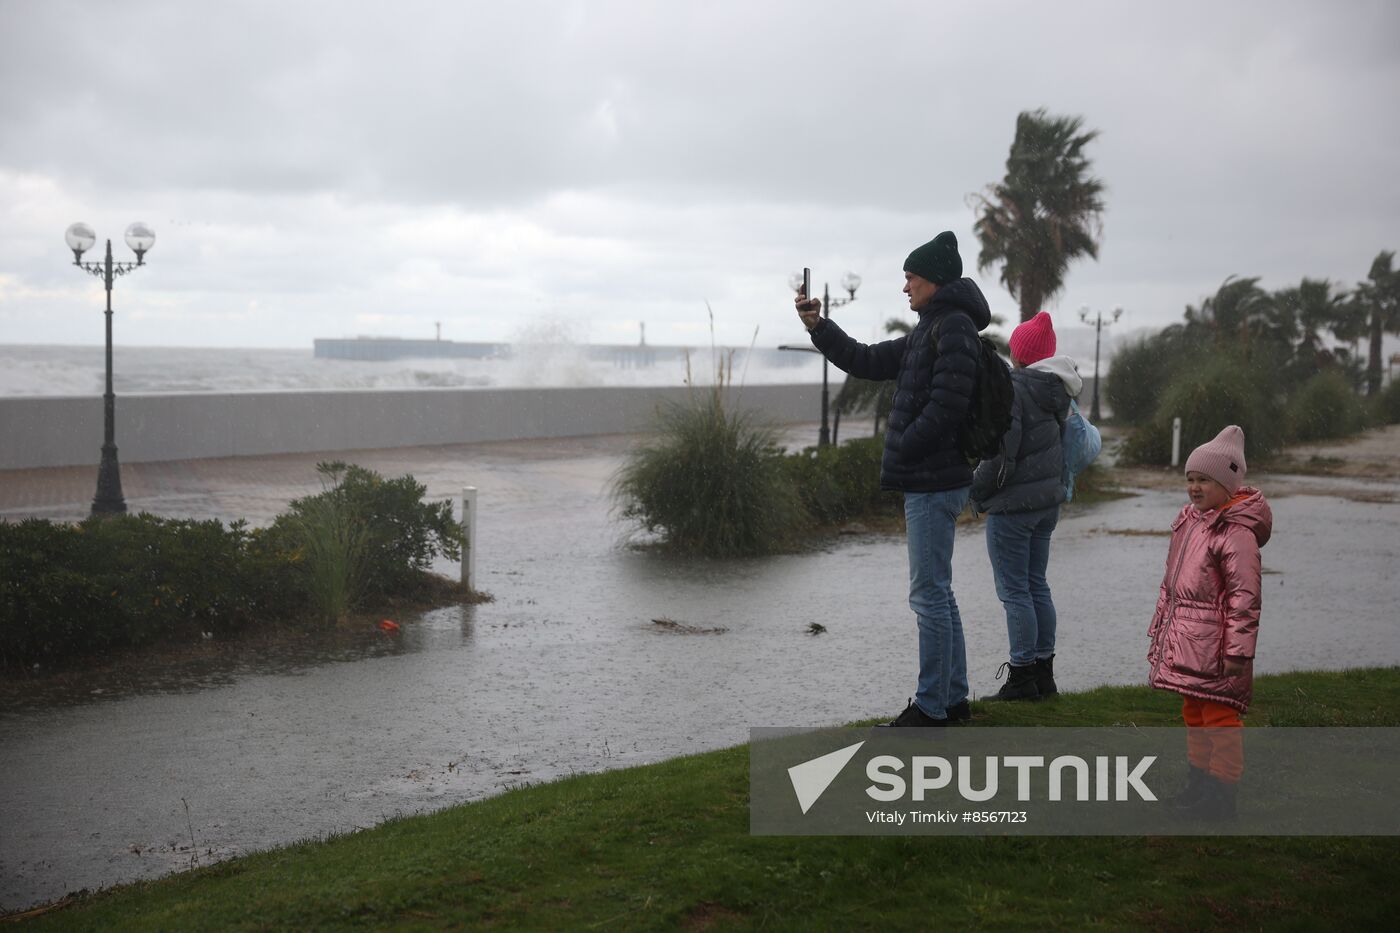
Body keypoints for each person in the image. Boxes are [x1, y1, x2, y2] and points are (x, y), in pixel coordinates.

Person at [796, 231, 990, 726]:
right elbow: (864, 359)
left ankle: (931, 708)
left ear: (934, 281)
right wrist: (819, 326)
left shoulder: (952, 330)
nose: (905, 287)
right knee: (939, 593)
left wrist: (906, 445)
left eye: (911, 278)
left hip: (933, 481)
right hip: (933, 478)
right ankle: (953, 699)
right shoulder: (931, 329)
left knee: (928, 595)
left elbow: (949, 405)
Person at [1147, 425, 1272, 820]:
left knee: (1220, 717)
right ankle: (1198, 781)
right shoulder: (1190, 521)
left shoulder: (1235, 533)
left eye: (1205, 480)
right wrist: (1160, 628)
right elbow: (1172, 581)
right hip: (1187, 641)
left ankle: (1222, 793)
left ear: (1229, 483)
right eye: (1191, 479)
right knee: (1194, 712)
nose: (1195, 487)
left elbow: (1245, 597)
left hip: (1218, 647)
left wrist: (1238, 650)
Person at [969, 311, 1081, 701]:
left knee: (1014, 591)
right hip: (1046, 504)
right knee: (1036, 585)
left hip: (1013, 507)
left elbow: (1004, 455)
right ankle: (1043, 673)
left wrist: (976, 491)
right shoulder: (1056, 390)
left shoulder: (1015, 389)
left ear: (1018, 353)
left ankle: (1021, 677)